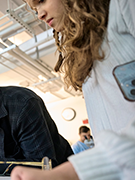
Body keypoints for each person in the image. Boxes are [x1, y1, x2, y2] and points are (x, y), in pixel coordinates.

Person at [11, 0, 135, 179]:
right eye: (35, 9)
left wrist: (67, 174)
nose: (39, 14)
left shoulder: (124, 5)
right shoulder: (85, 49)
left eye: (42, 1)